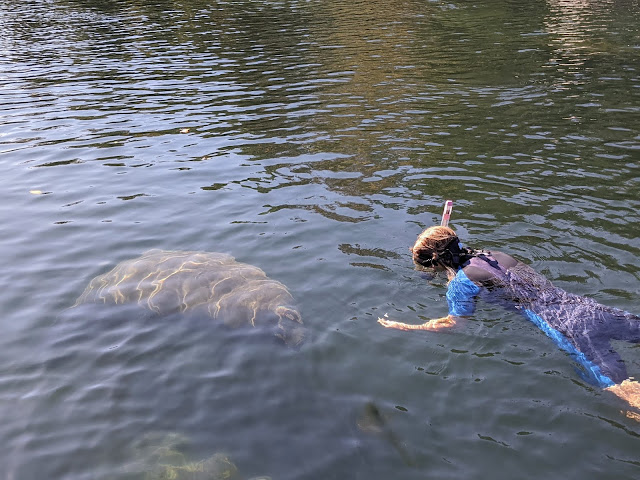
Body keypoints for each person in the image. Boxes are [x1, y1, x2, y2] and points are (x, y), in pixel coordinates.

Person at [378, 225, 640, 410]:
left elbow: (455, 324)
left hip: (566, 327)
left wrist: (409, 327)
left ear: (433, 263)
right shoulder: (496, 256)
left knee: (622, 390)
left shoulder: (461, 284)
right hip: (589, 309)